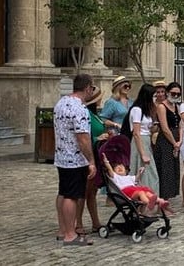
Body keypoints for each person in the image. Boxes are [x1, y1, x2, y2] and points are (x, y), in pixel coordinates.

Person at [53, 73, 96, 246]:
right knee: (72, 196)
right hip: (75, 158)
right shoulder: (80, 108)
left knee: (63, 192)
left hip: (61, 155)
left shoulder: (61, 103)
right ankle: (70, 234)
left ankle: (62, 229)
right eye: (92, 88)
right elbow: (83, 138)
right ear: (87, 88)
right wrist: (91, 161)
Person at [75, 87, 107, 236]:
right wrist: (97, 138)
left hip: (97, 152)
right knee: (84, 191)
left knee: (92, 191)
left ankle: (95, 221)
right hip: (88, 154)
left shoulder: (96, 114)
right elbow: (83, 135)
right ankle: (78, 223)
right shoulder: (86, 113)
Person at [102, 154, 169, 212]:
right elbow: (109, 169)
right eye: (116, 168)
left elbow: (136, 178)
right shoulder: (115, 177)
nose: (119, 167)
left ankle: (160, 201)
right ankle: (148, 203)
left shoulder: (129, 177)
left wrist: (139, 172)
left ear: (126, 170)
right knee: (141, 192)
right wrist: (106, 162)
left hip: (135, 191)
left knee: (147, 192)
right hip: (127, 193)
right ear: (114, 171)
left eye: (121, 166)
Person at [126, 84, 160, 196]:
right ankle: (145, 199)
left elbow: (150, 129)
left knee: (150, 173)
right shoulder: (137, 110)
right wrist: (143, 153)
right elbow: (136, 133)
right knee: (144, 171)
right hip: (140, 143)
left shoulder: (147, 111)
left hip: (146, 140)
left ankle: (151, 199)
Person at [154, 82, 183, 206]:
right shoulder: (162, 107)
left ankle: (169, 196)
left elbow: (181, 125)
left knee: (173, 168)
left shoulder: (176, 106)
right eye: (173, 93)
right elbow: (164, 127)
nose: (175, 96)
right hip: (166, 140)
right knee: (165, 168)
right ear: (168, 92)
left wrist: (180, 141)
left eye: (178, 94)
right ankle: (163, 199)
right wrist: (173, 142)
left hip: (176, 138)